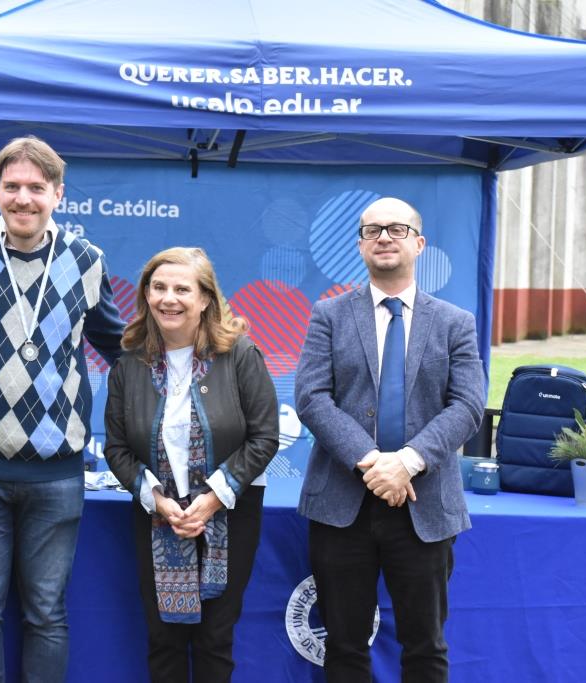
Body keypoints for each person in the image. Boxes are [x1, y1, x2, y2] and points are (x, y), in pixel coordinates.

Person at [0, 136, 125, 682]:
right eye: (12, 187)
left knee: (47, 614)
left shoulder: (86, 261)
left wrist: (193, 349)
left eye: (36, 187)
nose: (23, 199)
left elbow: (117, 345)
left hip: (57, 471)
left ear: (58, 194)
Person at [295, 197, 485, 681]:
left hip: (424, 506)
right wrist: (371, 461)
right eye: (372, 230)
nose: (384, 237)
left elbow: (467, 406)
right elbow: (313, 398)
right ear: (359, 245)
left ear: (419, 244)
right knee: (344, 646)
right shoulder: (329, 315)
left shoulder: (455, 322)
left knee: (425, 647)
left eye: (397, 229)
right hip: (343, 506)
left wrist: (409, 461)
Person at [104, 246, 279, 682]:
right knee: (163, 640)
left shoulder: (239, 354)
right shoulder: (128, 365)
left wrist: (215, 497)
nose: (169, 298)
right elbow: (117, 448)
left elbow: (265, 436)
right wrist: (157, 500)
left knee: (214, 640)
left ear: (205, 298)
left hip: (230, 515)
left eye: (182, 289)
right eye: (158, 288)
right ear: (146, 296)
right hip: (158, 516)